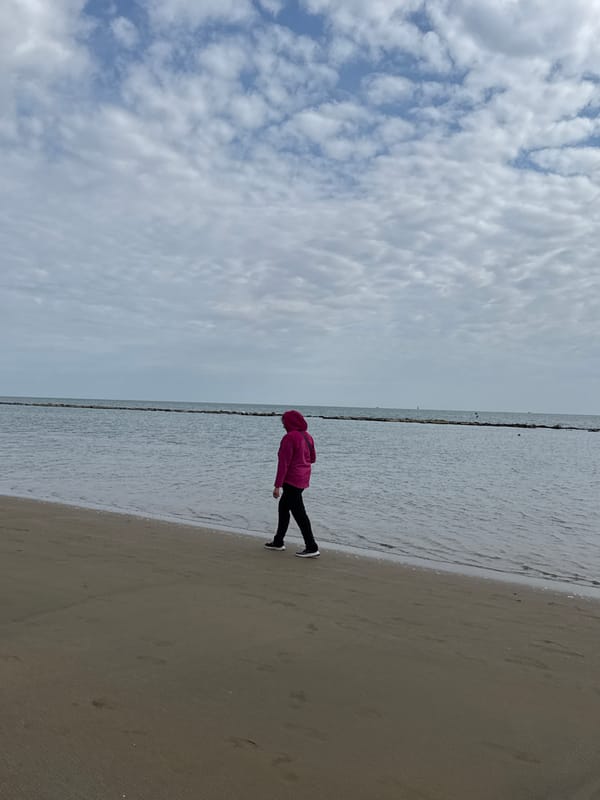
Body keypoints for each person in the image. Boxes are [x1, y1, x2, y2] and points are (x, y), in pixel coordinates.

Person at [264, 410, 320, 558]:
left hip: (292, 481)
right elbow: (312, 459)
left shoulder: (289, 438)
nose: (283, 426)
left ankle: (312, 546)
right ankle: (278, 541)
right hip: (303, 479)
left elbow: (284, 464)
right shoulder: (308, 437)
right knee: (283, 508)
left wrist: (277, 486)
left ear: (290, 423)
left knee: (299, 514)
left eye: (284, 423)